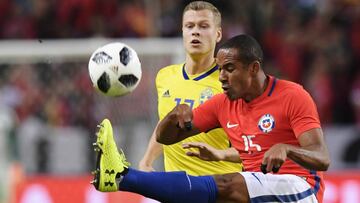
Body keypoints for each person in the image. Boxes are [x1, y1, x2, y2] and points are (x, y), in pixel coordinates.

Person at [91, 34, 330, 203]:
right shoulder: (223, 103)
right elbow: (167, 138)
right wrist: (173, 117)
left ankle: (122, 176)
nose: (222, 77)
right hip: (257, 190)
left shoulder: (293, 96)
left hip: (300, 189)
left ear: (254, 69)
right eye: (219, 69)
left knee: (224, 185)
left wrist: (286, 150)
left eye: (229, 68)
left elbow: (322, 158)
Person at [138, 1, 242, 175]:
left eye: (203, 26)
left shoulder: (233, 84)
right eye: (189, 26)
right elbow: (166, 122)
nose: (195, 31)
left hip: (221, 190)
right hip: (178, 191)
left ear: (218, 34)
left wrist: (220, 154)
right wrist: (147, 159)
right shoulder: (165, 76)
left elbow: (255, 147)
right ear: (183, 32)